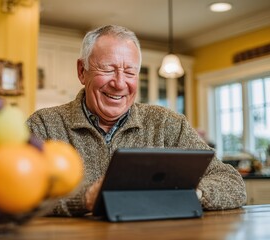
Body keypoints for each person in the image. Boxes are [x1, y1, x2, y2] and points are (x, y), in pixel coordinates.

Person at [27, 25, 247, 216]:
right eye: (108, 69)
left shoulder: (168, 124)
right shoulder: (43, 125)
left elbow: (233, 184)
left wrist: (189, 193)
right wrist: (85, 199)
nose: (120, 83)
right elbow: (13, 194)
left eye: (130, 72)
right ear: (82, 71)